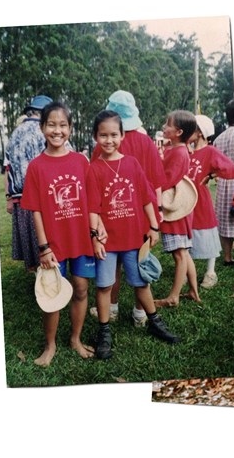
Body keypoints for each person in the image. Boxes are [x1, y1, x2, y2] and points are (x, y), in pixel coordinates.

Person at [86, 110, 180, 360]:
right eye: (103, 135)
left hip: (133, 238)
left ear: (122, 135)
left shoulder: (131, 164)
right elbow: (92, 207)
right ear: (96, 136)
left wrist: (153, 226)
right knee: (105, 285)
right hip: (108, 241)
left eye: (114, 134)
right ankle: (104, 331)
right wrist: (95, 236)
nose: (109, 140)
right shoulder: (93, 169)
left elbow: (145, 197)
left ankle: (155, 321)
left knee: (140, 282)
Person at [20, 101, 96, 367]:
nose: (57, 130)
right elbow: (36, 211)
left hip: (81, 240)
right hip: (53, 244)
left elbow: (91, 201)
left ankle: (75, 338)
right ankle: (50, 345)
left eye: (63, 125)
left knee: (82, 288)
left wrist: (96, 233)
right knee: (51, 293)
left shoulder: (80, 161)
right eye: (51, 124)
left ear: (70, 129)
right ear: (42, 128)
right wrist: (44, 247)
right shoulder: (36, 167)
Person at [89, 90, 165, 327]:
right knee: (140, 264)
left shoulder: (101, 146)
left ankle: (112, 308)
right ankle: (140, 314)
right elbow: (157, 182)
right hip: (141, 216)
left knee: (118, 268)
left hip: (116, 217)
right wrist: (157, 214)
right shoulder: (146, 142)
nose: (109, 139)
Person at [154, 110, 200, 307]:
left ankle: (173, 297)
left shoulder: (179, 153)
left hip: (175, 213)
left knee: (179, 254)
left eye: (168, 124)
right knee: (184, 252)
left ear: (178, 131)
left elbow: (167, 179)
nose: (164, 126)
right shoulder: (178, 150)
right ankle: (193, 291)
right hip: (181, 211)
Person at [187, 114, 234, 289]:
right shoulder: (186, 151)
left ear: (200, 132)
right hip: (185, 200)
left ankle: (211, 272)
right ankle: (186, 269)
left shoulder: (210, 151)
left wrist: (212, 174)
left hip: (201, 200)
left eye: (191, 128)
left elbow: (231, 168)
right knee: (187, 233)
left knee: (207, 232)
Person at [4, 94, 53, 271]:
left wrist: (9, 196)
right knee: (45, 242)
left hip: (19, 198)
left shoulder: (14, 133)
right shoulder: (44, 131)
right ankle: (49, 283)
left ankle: (37, 276)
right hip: (40, 197)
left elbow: (7, 168)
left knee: (31, 248)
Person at [213, 100, 234, 267]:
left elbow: (215, 165)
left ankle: (227, 257)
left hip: (224, 183)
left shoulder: (220, 138)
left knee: (225, 220)